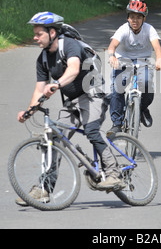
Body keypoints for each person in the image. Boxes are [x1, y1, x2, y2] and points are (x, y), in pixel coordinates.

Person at [16, 12, 124, 204]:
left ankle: (114, 173)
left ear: (52, 32)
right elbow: (39, 89)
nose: (34, 37)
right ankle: (44, 189)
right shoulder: (42, 59)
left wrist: (56, 84)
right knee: (55, 139)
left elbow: (73, 69)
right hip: (72, 101)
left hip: (94, 93)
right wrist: (28, 111)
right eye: (35, 34)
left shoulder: (69, 44)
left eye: (39, 34)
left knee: (91, 130)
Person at [107, 1, 161, 136]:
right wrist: (112, 57)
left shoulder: (149, 29)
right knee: (117, 89)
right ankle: (116, 123)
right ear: (128, 18)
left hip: (143, 60)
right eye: (132, 17)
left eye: (139, 17)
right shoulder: (123, 29)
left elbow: (157, 47)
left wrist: (159, 59)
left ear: (144, 18)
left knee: (146, 84)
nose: (135, 20)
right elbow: (112, 46)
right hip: (123, 60)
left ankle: (142, 108)